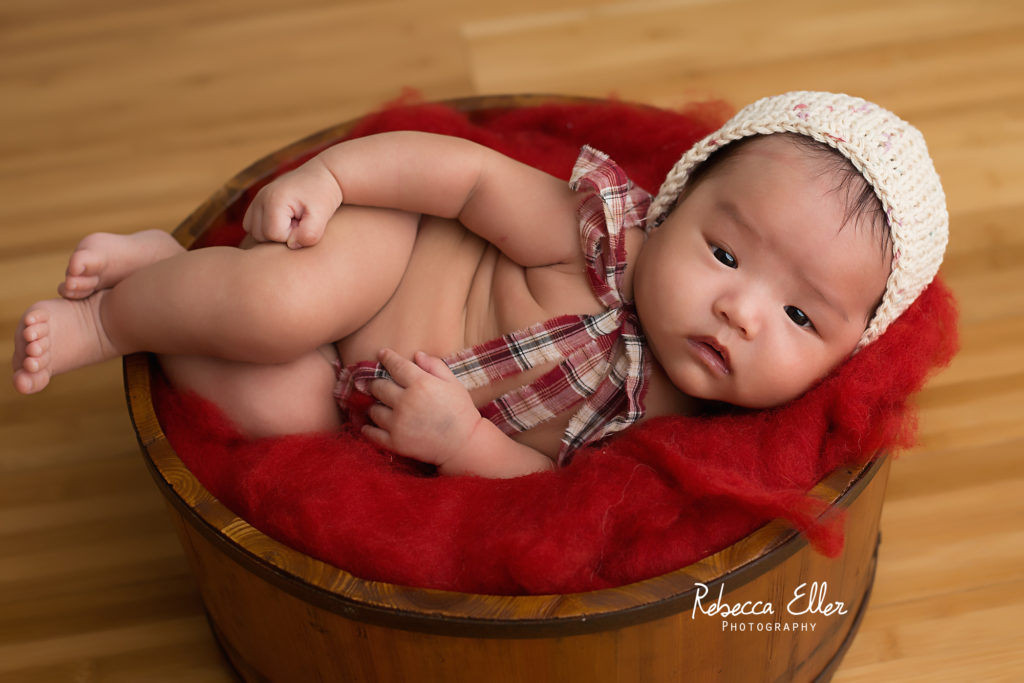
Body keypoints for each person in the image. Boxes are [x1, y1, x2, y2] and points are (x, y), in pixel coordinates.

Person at [11, 91, 948, 478]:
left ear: (846, 350)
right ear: (675, 203)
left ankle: (176, 277)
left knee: (283, 415)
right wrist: (338, 179)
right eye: (727, 255)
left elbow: (551, 487)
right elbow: (464, 176)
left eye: (798, 315)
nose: (741, 311)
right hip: (380, 261)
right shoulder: (602, 237)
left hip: (360, 395)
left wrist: (463, 442)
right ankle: (110, 321)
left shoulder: (693, 433)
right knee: (279, 306)